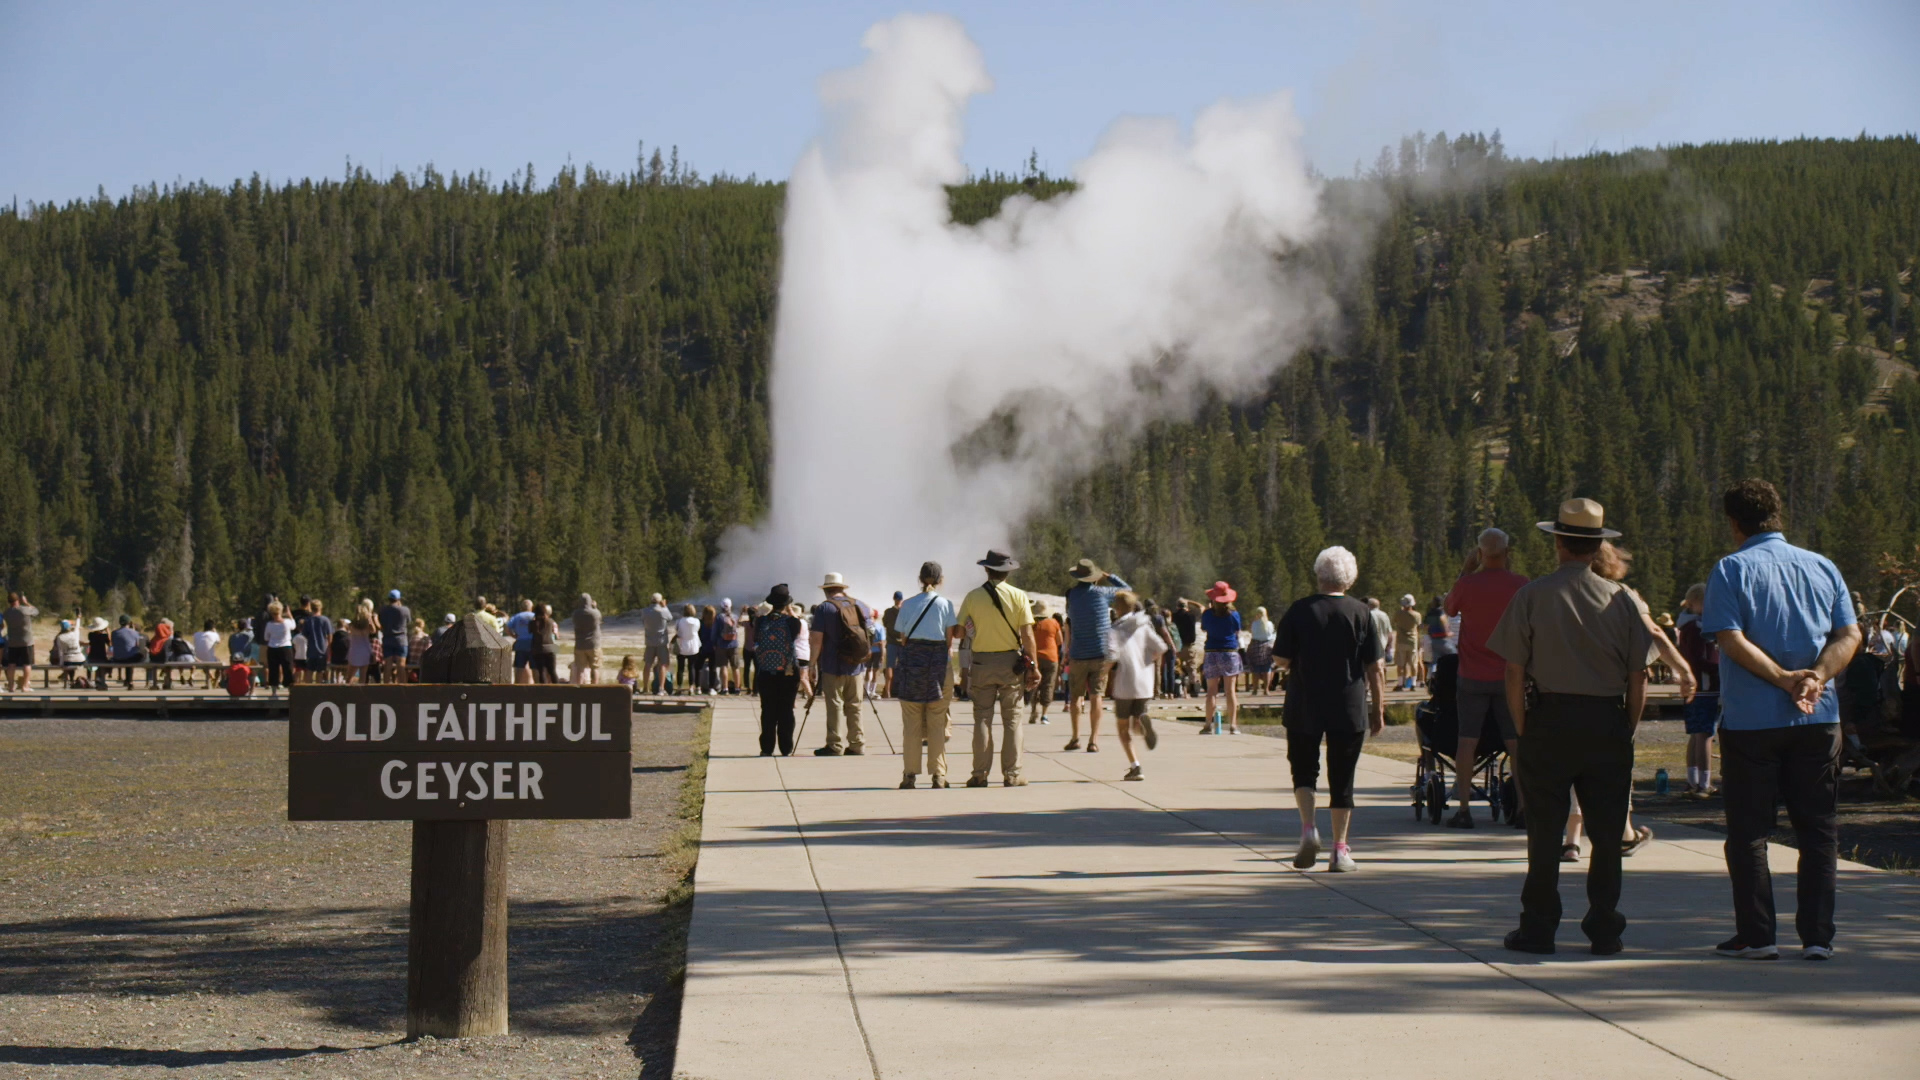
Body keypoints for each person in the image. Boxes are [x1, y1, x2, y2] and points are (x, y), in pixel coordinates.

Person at [1488, 498, 1658, 957]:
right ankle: (1605, 930)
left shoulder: (1532, 595)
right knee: (1606, 836)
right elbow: (1639, 676)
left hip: (1549, 719)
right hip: (1606, 720)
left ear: (1559, 542)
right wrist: (1626, 726)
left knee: (1544, 832)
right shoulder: (1622, 600)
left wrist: (1524, 727)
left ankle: (1538, 928)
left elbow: (1512, 672)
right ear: (1598, 545)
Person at [1701, 478, 1860, 962]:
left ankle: (1758, 934)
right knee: (1817, 830)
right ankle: (1817, 937)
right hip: (1817, 717)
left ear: (1733, 523)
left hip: (1752, 720)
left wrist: (1781, 678)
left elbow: (1728, 638)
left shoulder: (1731, 569)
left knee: (1749, 831)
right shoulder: (1822, 566)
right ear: (1777, 514)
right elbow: (1849, 634)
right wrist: (1815, 676)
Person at [1274, 546, 1386, 872]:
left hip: (1304, 702)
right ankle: (1340, 849)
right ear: (1349, 579)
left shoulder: (1299, 610)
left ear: (1318, 574)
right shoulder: (1361, 613)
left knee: (1304, 770)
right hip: (1348, 705)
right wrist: (1378, 709)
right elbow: (1375, 667)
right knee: (1343, 779)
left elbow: (1280, 658)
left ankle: (1309, 829)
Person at [1442, 528, 1530, 828]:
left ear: (1480, 554)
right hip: (1510, 675)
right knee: (1516, 742)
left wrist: (1465, 570)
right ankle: (1523, 808)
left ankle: (1464, 808)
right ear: (1508, 552)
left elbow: (1449, 608)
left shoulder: (1468, 584)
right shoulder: (1521, 585)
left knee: (1467, 740)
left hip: (1471, 674)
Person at [957, 550, 1040, 786]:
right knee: (1012, 719)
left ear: (986, 569)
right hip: (1011, 664)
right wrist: (1033, 666)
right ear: (1007, 572)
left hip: (982, 661)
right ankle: (1012, 774)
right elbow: (1027, 634)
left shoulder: (973, 597)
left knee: (982, 718)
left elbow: (960, 631)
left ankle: (979, 774)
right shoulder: (1018, 596)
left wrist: (974, 628)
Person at [894, 563, 959, 787]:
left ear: (920, 579)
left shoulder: (907, 604)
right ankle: (939, 775)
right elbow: (948, 640)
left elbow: (903, 639)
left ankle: (909, 775)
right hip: (938, 667)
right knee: (937, 721)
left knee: (911, 723)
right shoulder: (945, 604)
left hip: (912, 665)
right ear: (940, 579)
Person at [1062, 559, 1131, 750]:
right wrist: (1110, 577)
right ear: (1095, 578)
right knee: (1096, 695)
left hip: (1078, 653)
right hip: (1101, 653)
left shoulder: (1072, 595)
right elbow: (1128, 589)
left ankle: (1075, 737)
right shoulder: (1103, 593)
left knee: (1076, 697)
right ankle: (1093, 740)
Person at [810, 573, 874, 756]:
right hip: (856, 665)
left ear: (826, 591)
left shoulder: (824, 609)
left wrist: (812, 665)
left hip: (833, 665)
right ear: (842, 588)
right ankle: (857, 743)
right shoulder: (859, 605)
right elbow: (871, 632)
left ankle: (835, 744)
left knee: (835, 704)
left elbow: (816, 640)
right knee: (855, 705)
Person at [1107, 591, 1167, 781]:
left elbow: (1111, 655)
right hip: (1145, 682)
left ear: (1117, 608)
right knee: (1135, 726)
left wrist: (1102, 674)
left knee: (1123, 728)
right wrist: (1148, 661)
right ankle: (1142, 721)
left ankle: (1136, 767)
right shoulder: (1144, 625)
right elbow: (1161, 647)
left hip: (1125, 684)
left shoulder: (1115, 629)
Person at [1676, 583, 1720, 797]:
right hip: (1704, 687)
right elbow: (1698, 659)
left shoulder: (1687, 626)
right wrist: (1720, 669)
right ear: (1694, 603)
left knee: (1696, 734)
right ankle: (1704, 783)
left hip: (1695, 686)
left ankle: (1693, 781)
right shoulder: (1697, 627)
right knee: (1705, 734)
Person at [753, 585, 805, 755]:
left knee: (767, 709)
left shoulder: (760, 621)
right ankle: (786, 747)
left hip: (766, 671)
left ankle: (766, 748)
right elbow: (796, 635)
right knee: (786, 710)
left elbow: (756, 640)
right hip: (788, 670)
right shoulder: (793, 622)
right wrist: (790, 610)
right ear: (787, 603)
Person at [1200, 581, 1244, 734]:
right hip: (1229, 651)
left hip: (1212, 651)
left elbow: (1204, 628)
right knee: (1230, 690)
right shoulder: (1234, 615)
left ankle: (1207, 724)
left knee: (1211, 691)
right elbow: (1237, 630)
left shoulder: (1207, 614)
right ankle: (1233, 725)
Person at [1028, 602, 1061, 725]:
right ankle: (1044, 715)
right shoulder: (1053, 623)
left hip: (1034, 657)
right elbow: (1059, 640)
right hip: (1051, 658)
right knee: (1048, 685)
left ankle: (1033, 711)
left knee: (1034, 684)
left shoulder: (1031, 624)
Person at [261, 601, 298, 694]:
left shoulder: (269, 624)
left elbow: (266, 637)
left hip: (272, 648)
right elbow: (294, 626)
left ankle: (274, 692)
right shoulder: (286, 623)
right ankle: (290, 690)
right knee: (288, 669)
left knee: (273, 669)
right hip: (285, 647)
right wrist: (289, 615)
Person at [4, 592, 38, 691]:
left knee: (11, 664)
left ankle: (11, 685)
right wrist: (26, 602)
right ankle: (25, 685)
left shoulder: (7, 612)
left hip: (13, 641)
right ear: (18, 600)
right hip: (26, 641)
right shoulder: (24, 610)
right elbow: (36, 611)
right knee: (27, 664)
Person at [641, 593, 673, 693]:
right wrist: (665, 606)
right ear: (660, 601)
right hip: (661, 642)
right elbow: (670, 618)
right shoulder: (663, 611)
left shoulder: (645, 611)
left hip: (649, 641)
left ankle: (645, 687)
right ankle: (661, 688)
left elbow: (643, 621)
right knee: (663, 665)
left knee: (647, 664)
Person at [1170, 599, 1202, 698]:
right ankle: (1193, 690)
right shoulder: (1191, 616)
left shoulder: (1174, 616)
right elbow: (1201, 608)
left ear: (1177, 606)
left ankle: (1177, 689)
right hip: (1189, 645)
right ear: (1186, 607)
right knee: (1192, 668)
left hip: (1177, 646)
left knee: (1177, 668)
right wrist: (1191, 601)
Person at [1392, 594, 1422, 690]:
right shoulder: (1417, 615)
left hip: (1401, 640)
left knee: (1400, 663)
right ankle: (1413, 684)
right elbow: (1419, 626)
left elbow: (1395, 621)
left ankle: (1400, 684)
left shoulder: (1398, 613)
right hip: (1412, 640)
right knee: (1413, 663)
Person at [571, 593, 603, 684]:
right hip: (593, 644)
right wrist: (595, 607)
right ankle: (594, 687)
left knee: (580, 669)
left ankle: (579, 689)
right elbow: (600, 618)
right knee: (595, 668)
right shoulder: (594, 613)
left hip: (580, 644)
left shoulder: (576, 614)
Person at [1365, 598, 1395, 691]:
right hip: (1383, 643)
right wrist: (1389, 644)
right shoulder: (1384, 615)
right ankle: (1382, 685)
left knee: (1368, 667)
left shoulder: (1368, 614)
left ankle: (1368, 687)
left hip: (1370, 643)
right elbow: (1389, 631)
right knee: (1382, 666)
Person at [1245, 606, 1276, 694]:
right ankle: (1266, 689)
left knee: (1255, 669)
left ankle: (1255, 689)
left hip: (1255, 644)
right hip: (1267, 645)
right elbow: (1271, 634)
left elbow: (1251, 631)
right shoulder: (1269, 624)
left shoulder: (1254, 623)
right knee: (1267, 668)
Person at [110, 614, 147, 688]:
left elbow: (113, 643)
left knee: (127, 655)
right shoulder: (135, 633)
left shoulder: (114, 633)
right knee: (134, 655)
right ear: (129, 623)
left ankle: (128, 681)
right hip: (130, 658)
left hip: (118, 658)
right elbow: (138, 644)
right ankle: (130, 681)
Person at [505, 599, 536, 685]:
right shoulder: (535, 616)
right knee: (535, 668)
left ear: (522, 607)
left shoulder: (517, 616)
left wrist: (514, 636)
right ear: (531, 607)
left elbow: (507, 629)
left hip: (521, 644)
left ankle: (516, 686)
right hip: (533, 644)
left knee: (519, 667)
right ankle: (537, 686)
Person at [671, 604, 701, 693]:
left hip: (682, 646)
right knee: (691, 667)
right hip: (693, 646)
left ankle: (679, 687)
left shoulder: (679, 621)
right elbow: (697, 630)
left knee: (680, 668)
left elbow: (677, 631)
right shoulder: (697, 621)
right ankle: (691, 687)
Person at [303, 600, 334, 685]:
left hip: (311, 650)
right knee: (320, 672)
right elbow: (330, 636)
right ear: (320, 608)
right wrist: (329, 649)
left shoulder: (308, 620)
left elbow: (305, 634)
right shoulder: (325, 620)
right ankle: (317, 689)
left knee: (309, 671)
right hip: (322, 650)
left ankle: (308, 690)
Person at [529, 603, 560, 684]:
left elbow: (530, 631)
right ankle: (559, 689)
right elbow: (555, 633)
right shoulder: (550, 621)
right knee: (552, 671)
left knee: (541, 671)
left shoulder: (532, 623)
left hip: (538, 649)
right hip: (550, 648)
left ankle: (544, 690)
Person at [882, 590, 905, 698]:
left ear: (894, 598)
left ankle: (887, 690)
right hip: (902, 643)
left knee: (889, 666)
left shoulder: (888, 612)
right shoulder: (904, 611)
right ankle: (901, 690)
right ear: (902, 599)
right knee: (902, 667)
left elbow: (886, 624)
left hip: (891, 642)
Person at [715, 598, 741, 694]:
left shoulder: (719, 617)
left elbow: (715, 632)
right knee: (736, 667)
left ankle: (725, 689)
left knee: (724, 666)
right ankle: (737, 689)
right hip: (734, 644)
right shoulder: (735, 616)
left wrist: (714, 643)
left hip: (722, 644)